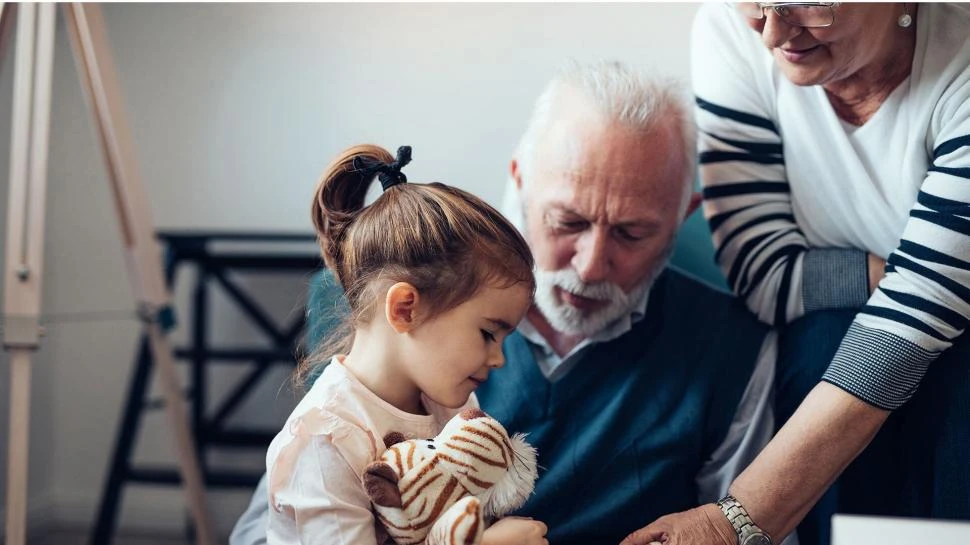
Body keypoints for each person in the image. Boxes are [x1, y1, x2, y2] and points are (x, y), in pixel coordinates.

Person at [231, 62, 790, 545]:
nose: (592, 264)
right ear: (520, 183)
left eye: (632, 233)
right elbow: (269, 526)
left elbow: (745, 529)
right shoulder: (405, 310)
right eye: (567, 221)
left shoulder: (733, 348)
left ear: (681, 217)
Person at [623, 4, 970, 545]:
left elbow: (917, 320)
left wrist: (734, 522)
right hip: (839, 343)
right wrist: (897, 279)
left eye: (811, 2)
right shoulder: (727, 32)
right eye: (757, 2)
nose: (773, 33)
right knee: (826, 334)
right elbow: (765, 271)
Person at [263, 143, 548, 545]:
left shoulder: (452, 408)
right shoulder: (325, 443)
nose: (500, 359)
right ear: (404, 308)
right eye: (488, 333)